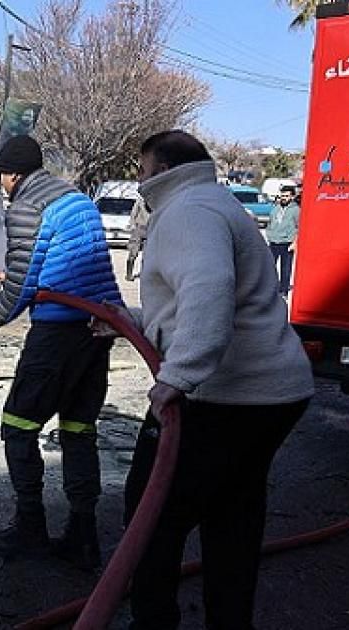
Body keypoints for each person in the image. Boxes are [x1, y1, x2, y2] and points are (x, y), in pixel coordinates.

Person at [116, 130, 314, 629]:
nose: (139, 180)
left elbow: (209, 288)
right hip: (272, 393)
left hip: (224, 397)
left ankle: (153, 623)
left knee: (151, 517)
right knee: (232, 515)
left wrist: (180, 374)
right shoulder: (215, 202)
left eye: (141, 169)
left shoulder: (187, 210)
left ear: (163, 169)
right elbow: (195, 301)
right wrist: (133, 321)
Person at [0, 135, 123, 569]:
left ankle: (30, 529)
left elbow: (23, 286)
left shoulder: (24, 206)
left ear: (11, 174)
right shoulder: (75, 198)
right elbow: (56, 264)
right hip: (97, 328)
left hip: (59, 334)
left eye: (0, 176)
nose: (1, 185)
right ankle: (82, 534)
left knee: (18, 425)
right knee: (78, 428)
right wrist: (2, 273)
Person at [266, 184, 300, 298]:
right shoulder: (275, 208)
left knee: (285, 268)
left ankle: (283, 291)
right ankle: (269, 288)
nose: (283, 198)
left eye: (286, 196)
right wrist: (269, 235)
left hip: (287, 243)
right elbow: (270, 223)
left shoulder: (296, 210)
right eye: (282, 196)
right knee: (269, 267)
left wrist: (295, 243)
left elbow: (300, 227)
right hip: (274, 242)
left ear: (292, 197)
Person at [125, 196, 150, 281]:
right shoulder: (140, 200)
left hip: (151, 228)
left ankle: (144, 274)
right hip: (139, 228)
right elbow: (134, 213)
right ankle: (129, 274)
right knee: (133, 252)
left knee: (148, 254)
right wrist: (132, 224)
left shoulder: (157, 200)